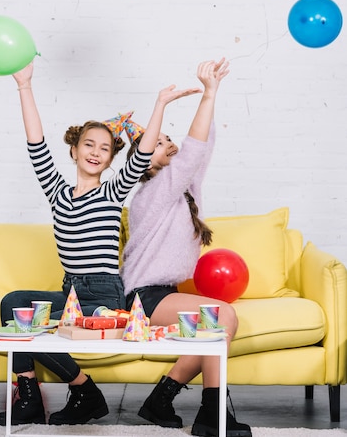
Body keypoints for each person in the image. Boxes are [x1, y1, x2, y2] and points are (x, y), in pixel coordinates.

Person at [0, 60, 202, 427]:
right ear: (74, 150)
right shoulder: (57, 192)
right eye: (87, 144)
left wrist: (160, 105)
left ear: (109, 160)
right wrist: (24, 87)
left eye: (104, 148)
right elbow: (35, 144)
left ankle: (84, 394)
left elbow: (141, 154)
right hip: (70, 290)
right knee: (13, 305)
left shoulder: (112, 192)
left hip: (103, 298)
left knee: (47, 330)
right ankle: (52, 392)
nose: (94, 151)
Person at [121, 59, 252, 437]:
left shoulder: (182, 192)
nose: (170, 143)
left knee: (214, 332)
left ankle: (159, 401)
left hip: (163, 294)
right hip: (142, 298)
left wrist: (210, 98)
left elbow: (202, 149)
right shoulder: (151, 193)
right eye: (160, 143)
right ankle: (213, 416)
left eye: (167, 138)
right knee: (221, 318)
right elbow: (193, 153)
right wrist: (208, 92)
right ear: (143, 162)